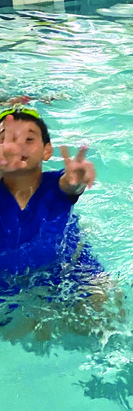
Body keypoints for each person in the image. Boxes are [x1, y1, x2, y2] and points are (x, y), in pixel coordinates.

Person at [0, 104, 107, 338]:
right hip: (5, 280)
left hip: (66, 268)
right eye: (6, 139)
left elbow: (70, 185)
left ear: (47, 151)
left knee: (107, 303)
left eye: (28, 139)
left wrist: (77, 179)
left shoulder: (56, 185)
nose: (16, 146)